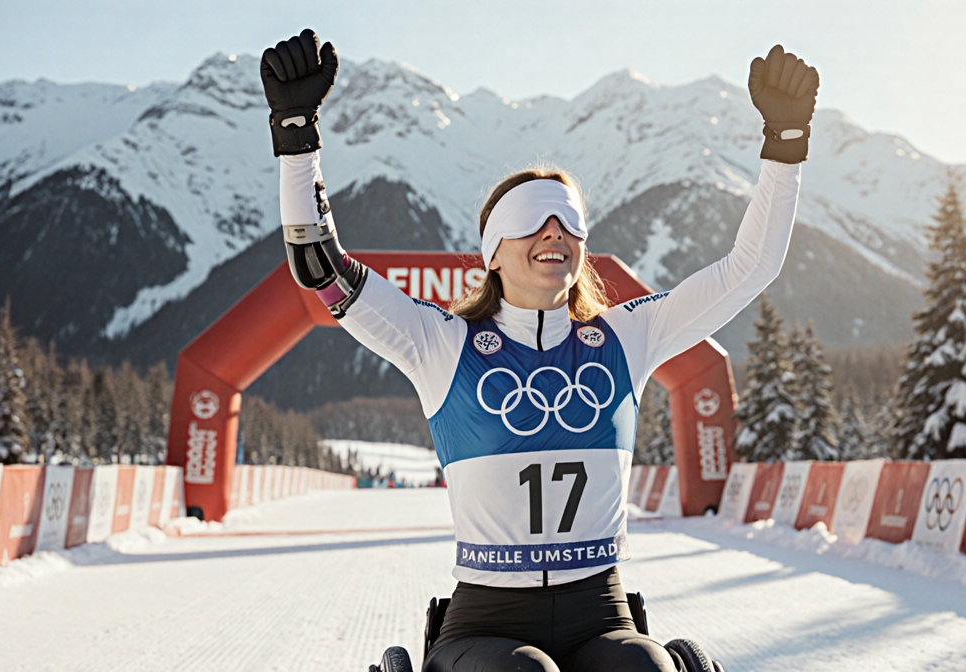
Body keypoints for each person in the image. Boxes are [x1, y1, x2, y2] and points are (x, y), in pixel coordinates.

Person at [260, 29, 818, 672]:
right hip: (487, 621)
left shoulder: (624, 339)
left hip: (600, 612)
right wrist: (296, 133)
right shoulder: (443, 343)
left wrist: (785, 147)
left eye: (568, 222)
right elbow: (319, 266)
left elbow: (750, 269)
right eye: (532, 221)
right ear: (494, 251)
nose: (553, 231)